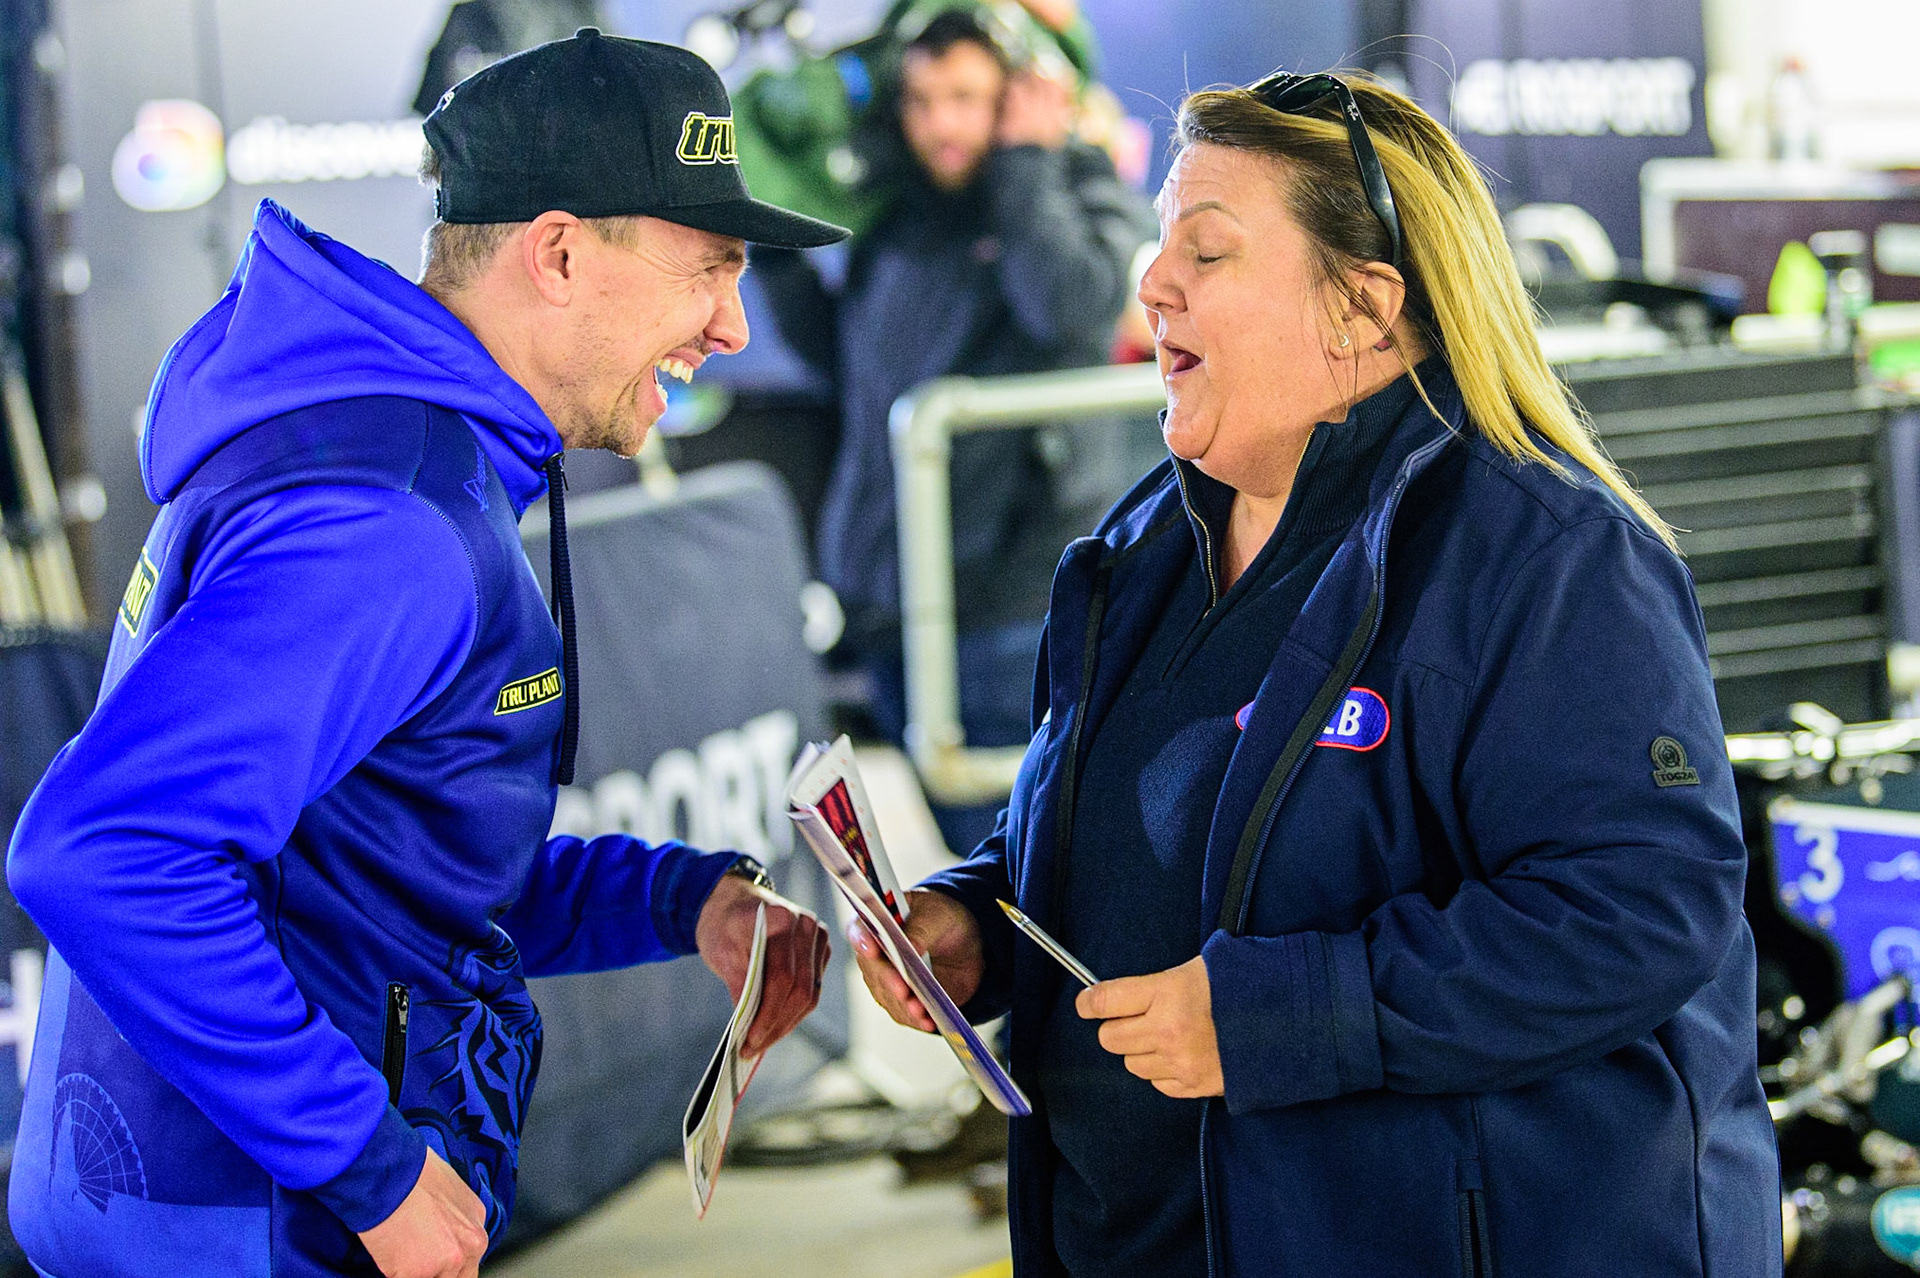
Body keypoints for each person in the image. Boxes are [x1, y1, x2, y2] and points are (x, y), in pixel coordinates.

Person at [852, 70, 1781, 1276]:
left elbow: (1639, 911)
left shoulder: (1549, 558)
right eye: (1158, 244)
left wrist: (1278, 1019)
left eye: (1210, 253)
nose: (1153, 284)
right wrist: (984, 924)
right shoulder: (1144, 546)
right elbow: (1147, 852)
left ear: (1362, 305)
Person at [6, 31, 845, 1278]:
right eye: (707, 269)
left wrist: (682, 902)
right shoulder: (386, 517)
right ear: (558, 254)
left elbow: (376, 867)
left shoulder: (397, 455)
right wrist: (374, 1169)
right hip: (244, 1237)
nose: (729, 325)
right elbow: (103, 849)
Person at [755, 6, 1155, 854]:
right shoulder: (900, 211)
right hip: (883, 597)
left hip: (1006, 606)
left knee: (1035, 863)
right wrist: (773, 243)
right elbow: (845, 365)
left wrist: (1023, 163)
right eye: (922, 98)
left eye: (967, 96)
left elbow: (1071, 305)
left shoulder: (1073, 183)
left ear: (1016, 97)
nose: (941, 122)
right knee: (970, 867)